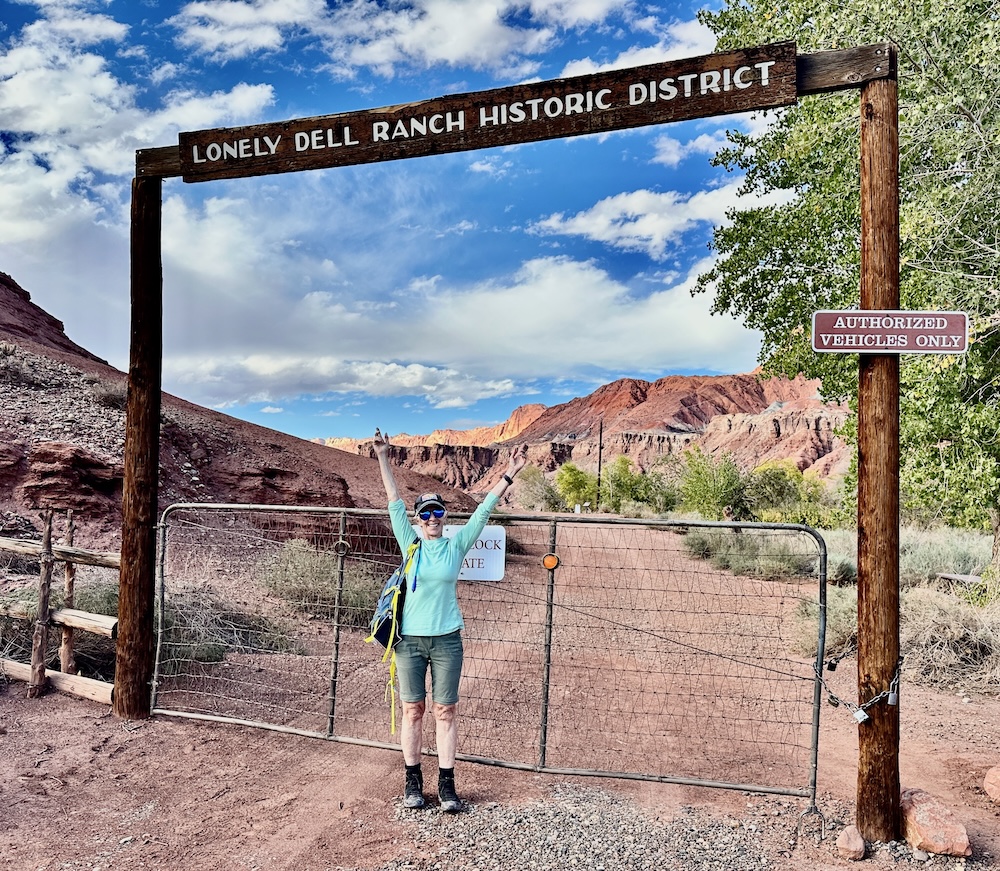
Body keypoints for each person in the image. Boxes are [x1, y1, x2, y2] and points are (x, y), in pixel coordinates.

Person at [373, 427, 528, 812]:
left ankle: (446, 786)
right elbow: (393, 500)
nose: (432, 518)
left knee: (446, 710)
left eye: (437, 511)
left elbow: (484, 511)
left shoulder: (457, 545)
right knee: (413, 709)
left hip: (447, 641)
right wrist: (382, 457)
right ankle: (412, 783)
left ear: (444, 516)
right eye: (425, 513)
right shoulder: (409, 543)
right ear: (418, 518)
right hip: (409, 640)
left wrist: (511, 473)